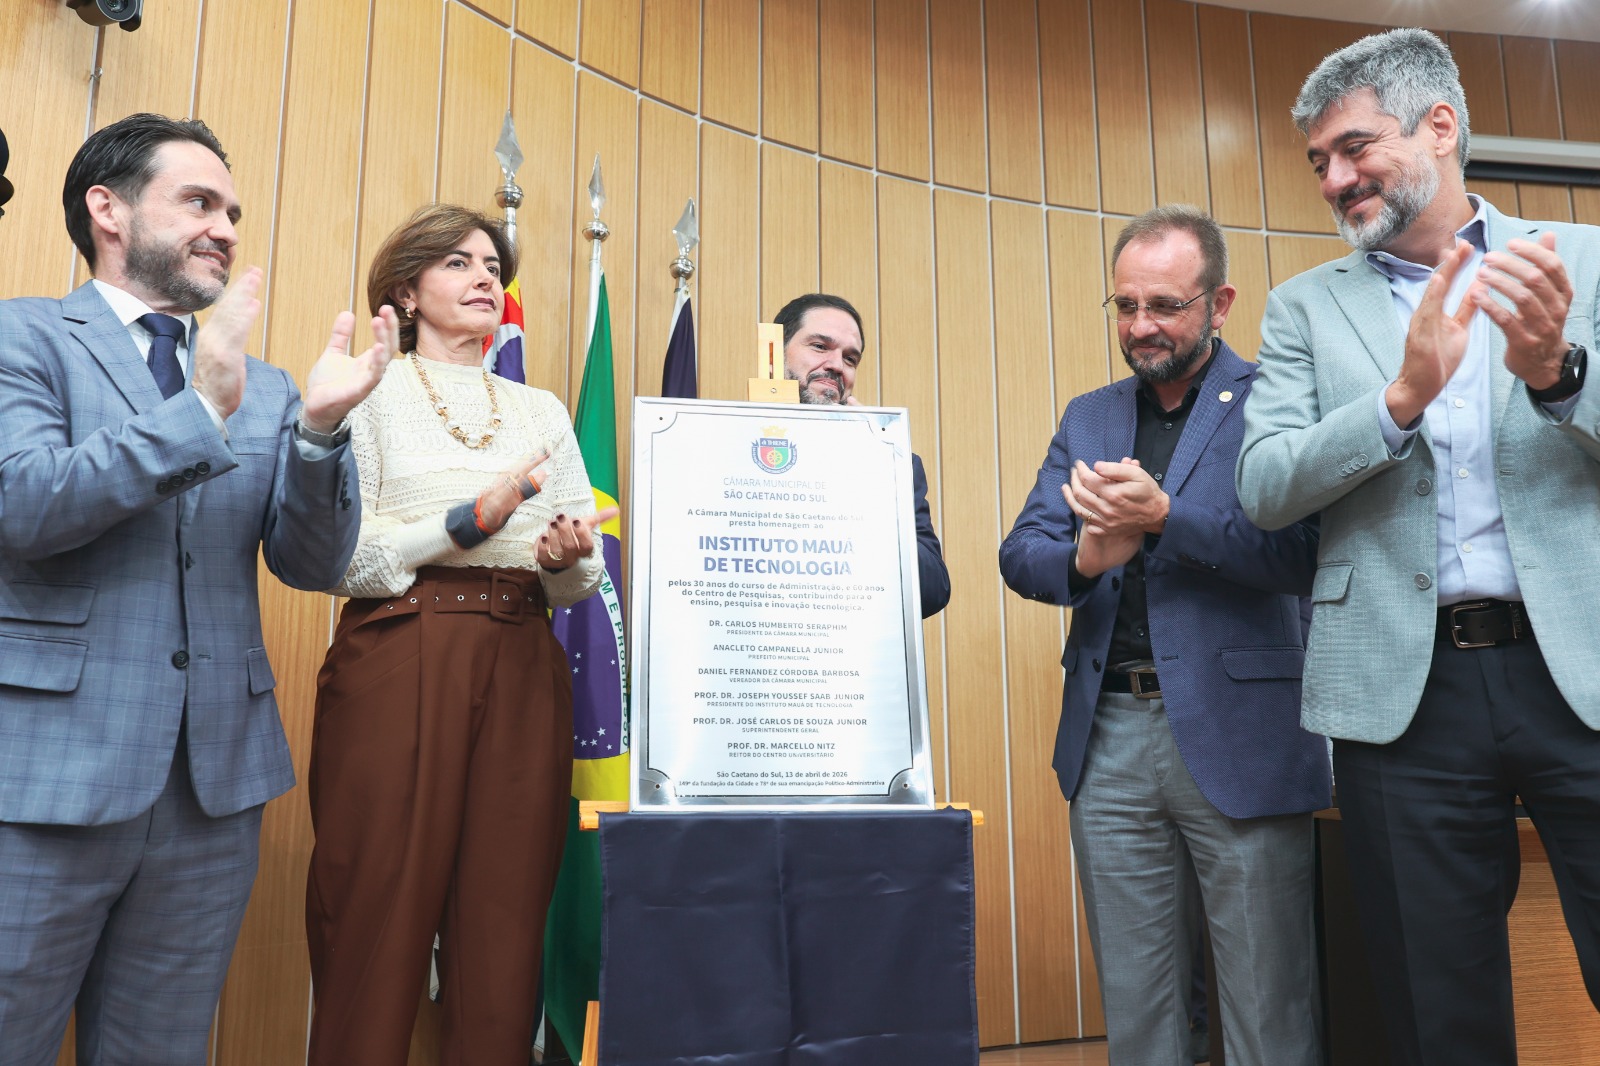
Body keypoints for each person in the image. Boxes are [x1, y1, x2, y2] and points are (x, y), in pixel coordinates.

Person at [1236, 28, 1600, 1065]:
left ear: (1439, 126)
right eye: (1319, 161)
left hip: (1582, 665)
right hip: (1404, 694)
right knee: (1436, 1010)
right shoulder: (1304, 308)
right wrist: (1397, 399)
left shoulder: (1583, 262)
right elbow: (1263, 488)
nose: (1333, 179)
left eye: (1354, 147)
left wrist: (1558, 373)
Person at [0, 112, 387, 1064]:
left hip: (211, 795)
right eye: (200, 203)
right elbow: (27, 506)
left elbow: (313, 564)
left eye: (234, 213)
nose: (225, 229)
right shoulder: (23, 336)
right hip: (43, 782)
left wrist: (321, 434)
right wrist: (201, 410)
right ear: (109, 210)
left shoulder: (270, 387)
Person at [1000, 205, 1327, 1066]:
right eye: (1125, 305)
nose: (1140, 325)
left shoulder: (1274, 398)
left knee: (1267, 1006)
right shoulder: (1090, 416)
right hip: (1107, 736)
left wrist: (1166, 519)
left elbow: (1305, 552)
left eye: (1165, 306)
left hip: (1244, 737)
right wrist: (1086, 557)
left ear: (1220, 304)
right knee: (1140, 1014)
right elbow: (1021, 553)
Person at [304, 203, 614, 1066]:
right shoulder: (367, 392)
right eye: (458, 263)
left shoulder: (540, 409)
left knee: (504, 925)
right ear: (406, 291)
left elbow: (579, 572)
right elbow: (344, 559)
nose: (484, 278)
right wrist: (466, 524)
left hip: (523, 657)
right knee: (375, 912)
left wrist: (564, 558)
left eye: (492, 266)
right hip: (400, 653)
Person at [772, 292, 950, 617]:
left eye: (850, 359)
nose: (836, 366)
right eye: (820, 347)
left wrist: (866, 469)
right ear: (774, 354)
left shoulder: (889, 465)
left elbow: (932, 590)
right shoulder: (714, 450)